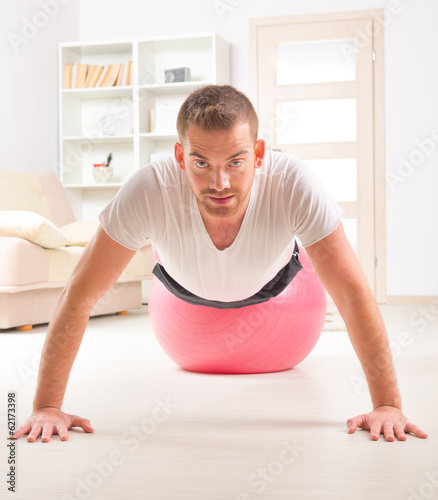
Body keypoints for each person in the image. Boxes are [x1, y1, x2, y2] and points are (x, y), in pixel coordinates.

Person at [10, 84, 428, 444]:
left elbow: (352, 293)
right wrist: (47, 406)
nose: (219, 183)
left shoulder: (294, 182)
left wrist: (387, 404)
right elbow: (80, 294)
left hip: (274, 282)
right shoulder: (148, 188)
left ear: (259, 153)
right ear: (179, 155)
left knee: (331, 265)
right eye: (201, 163)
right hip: (180, 286)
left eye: (236, 161)